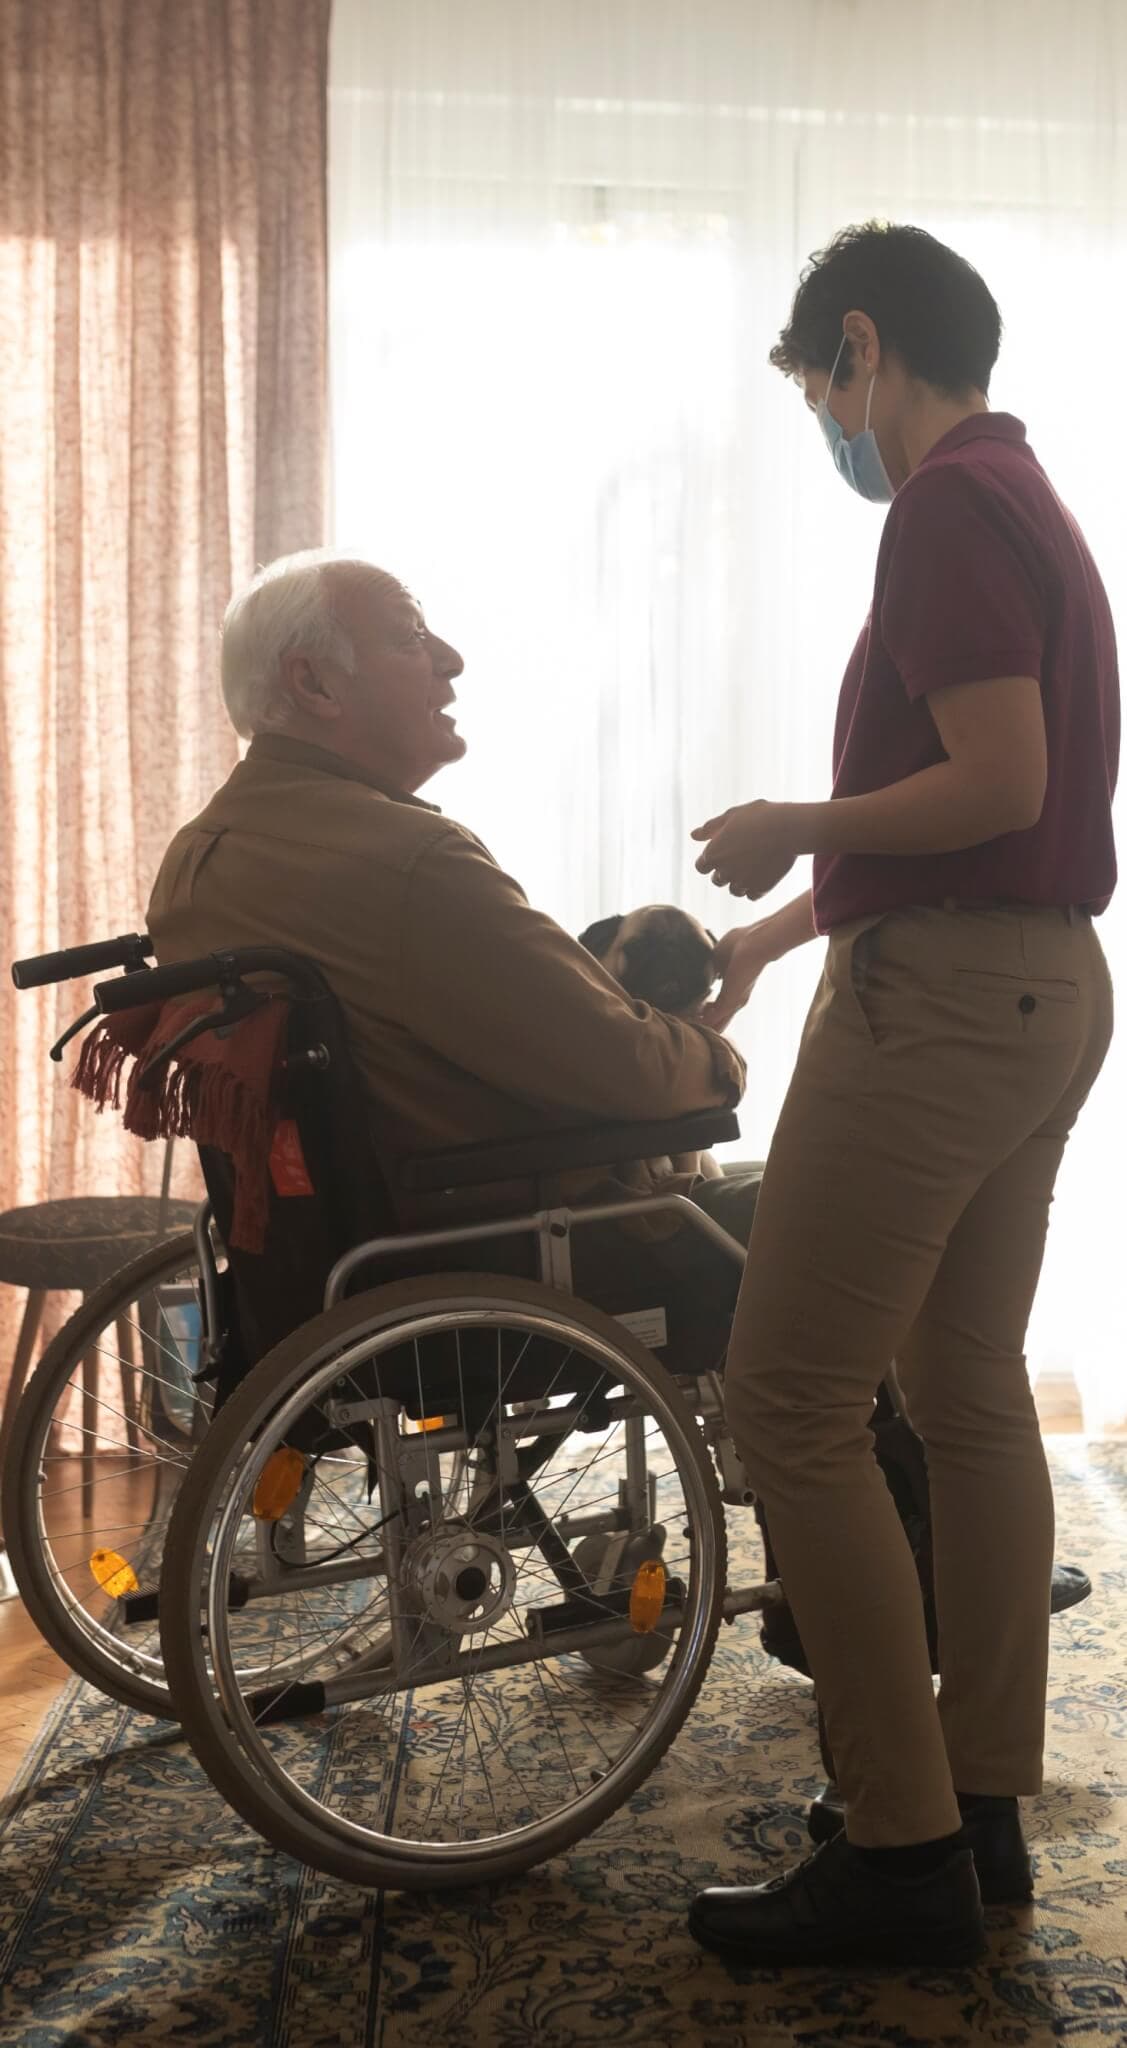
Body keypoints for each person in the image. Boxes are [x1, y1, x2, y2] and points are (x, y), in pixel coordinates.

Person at [688, 223, 1118, 1968]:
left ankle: (899, 1843)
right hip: (1033, 984)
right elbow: (1001, 808)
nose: (829, 429)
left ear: (861, 349)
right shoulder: (1025, 500)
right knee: (961, 1390)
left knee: (785, 1394)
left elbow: (989, 777)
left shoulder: (944, 503)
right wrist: (793, 925)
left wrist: (798, 823)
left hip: (944, 998)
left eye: (818, 391)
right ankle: (978, 1797)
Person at [147, 549, 759, 1362]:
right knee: (866, 1198)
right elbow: (634, 1071)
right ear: (316, 685)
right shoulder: (407, 860)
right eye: (411, 638)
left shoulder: (191, 868)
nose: (451, 660)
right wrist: (719, 1054)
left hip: (325, 1273)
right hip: (520, 1259)